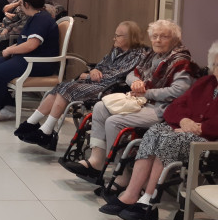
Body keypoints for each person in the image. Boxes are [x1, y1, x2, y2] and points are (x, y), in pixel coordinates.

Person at [98, 41, 218, 220]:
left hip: (208, 141)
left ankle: (148, 201)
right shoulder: (206, 83)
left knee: (168, 139)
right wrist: (184, 120)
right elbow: (174, 108)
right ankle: (131, 194)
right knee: (154, 132)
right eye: (217, 64)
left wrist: (201, 128)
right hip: (184, 129)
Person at [62, 19, 196, 180]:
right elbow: (132, 74)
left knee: (114, 122)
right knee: (99, 107)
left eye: (164, 37)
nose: (158, 40)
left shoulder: (181, 61)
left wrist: (146, 93)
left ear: (175, 39)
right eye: (155, 36)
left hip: (162, 109)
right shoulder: (153, 55)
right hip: (140, 101)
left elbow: (178, 91)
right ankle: (96, 161)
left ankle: (121, 175)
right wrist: (137, 83)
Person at [15, 22, 148, 151]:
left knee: (68, 89)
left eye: (118, 35)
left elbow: (115, 75)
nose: (114, 38)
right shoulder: (116, 49)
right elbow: (102, 65)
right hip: (98, 82)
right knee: (61, 86)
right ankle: (32, 123)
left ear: (130, 38)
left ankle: (46, 130)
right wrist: (93, 71)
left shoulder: (137, 55)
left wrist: (89, 76)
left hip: (110, 89)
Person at [0, 0, 59, 122]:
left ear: (27, 4)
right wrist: (13, 48)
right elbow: (25, 41)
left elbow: (31, 45)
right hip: (26, 57)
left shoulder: (42, 19)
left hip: (38, 61)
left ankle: (2, 108)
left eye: (21, 2)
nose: (19, 5)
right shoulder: (34, 17)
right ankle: (9, 105)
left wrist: (10, 51)